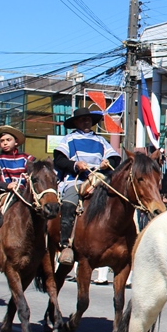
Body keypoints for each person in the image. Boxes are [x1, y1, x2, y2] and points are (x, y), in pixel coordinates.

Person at [53, 107, 121, 266]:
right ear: (76, 122)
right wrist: (75, 165)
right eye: (82, 119)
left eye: (88, 119)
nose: (86, 122)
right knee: (68, 203)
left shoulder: (100, 140)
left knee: (117, 201)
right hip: (76, 180)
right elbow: (59, 160)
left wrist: (107, 163)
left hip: (98, 179)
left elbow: (115, 158)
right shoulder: (69, 139)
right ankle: (66, 245)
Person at [0, 125, 33, 193]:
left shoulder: (25, 158)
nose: (5, 143)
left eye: (8, 140)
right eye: (2, 141)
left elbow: (35, 175)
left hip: (25, 192)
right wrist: (6, 185)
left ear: (16, 142)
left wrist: (29, 178)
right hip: (4, 193)